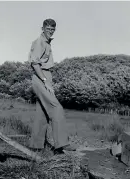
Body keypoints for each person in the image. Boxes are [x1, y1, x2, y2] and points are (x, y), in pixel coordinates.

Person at [28, 19, 76, 155]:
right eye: (48, 29)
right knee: (56, 108)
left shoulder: (47, 43)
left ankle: (36, 146)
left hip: (45, 75)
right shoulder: (39, 42)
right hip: (40, 76)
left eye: (52, 29)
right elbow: (35, 64)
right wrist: (45, 80)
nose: (50, 31)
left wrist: (47, 79)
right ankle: (62, 143)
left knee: (42, 112)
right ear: (42, 28)